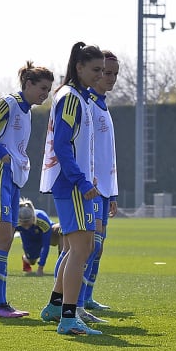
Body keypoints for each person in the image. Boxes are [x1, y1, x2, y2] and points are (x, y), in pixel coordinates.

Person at [0, 61, 54, 318]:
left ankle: (1, 304)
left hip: (11, 178)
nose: (46, 94)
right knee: (3, 239)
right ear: (27, 84)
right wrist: (0, 153)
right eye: (42, 88)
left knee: (5, 241)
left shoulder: (26, 111)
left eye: (49, 89)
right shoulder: (9, 102)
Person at [37, 43, 105, 336]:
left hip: (77, 183)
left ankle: (56, 306)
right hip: (72, 185)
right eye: (95, 69)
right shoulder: (71, 98)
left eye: (102, 70)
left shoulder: (80, 98)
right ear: (79, 67)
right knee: (81, 249)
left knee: (80, 248)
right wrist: (81, 180)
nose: (100, 75)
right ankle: (68, 317)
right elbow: (62, 145)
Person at [74, 49, 121, 321]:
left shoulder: (102, 104)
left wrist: (112, 191)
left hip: (104, 188)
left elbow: (107, 154)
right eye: (106, 72)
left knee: (96, 247)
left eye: (114, 73)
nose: (111, 78)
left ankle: (85, 299)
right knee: (83, 247)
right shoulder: (87, 103)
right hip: (89, 187)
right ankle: (67, 302)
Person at [16, 199, 59, 277]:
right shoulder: (15, 222)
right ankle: (25, 259)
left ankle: (62, 266)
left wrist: (40, 268)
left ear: (33, 218)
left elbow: (46, 246)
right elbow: (6, 239)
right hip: (28, 236)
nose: (26, 227)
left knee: (60, 230)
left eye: (28, 223)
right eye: (23, 224)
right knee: (32, 261)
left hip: (47, 234)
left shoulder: (42, 220)